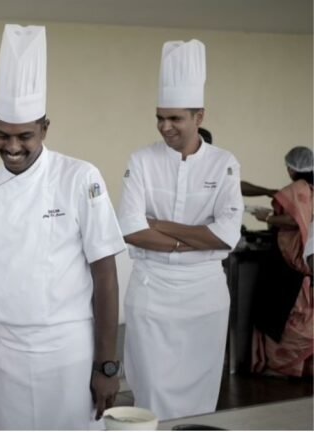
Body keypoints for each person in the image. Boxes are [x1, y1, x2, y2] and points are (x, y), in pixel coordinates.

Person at [0, 24, 126, 430]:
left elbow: (105, 276)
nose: (12, 147)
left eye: (25, 136)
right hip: (6, 351)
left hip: (68, 350)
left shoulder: (79, 177)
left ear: (45, 128)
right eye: (2, 135)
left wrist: (107, 365)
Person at [117, 39, 244, 421]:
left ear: (199, 116)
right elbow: (131, 229)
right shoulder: (142, 160)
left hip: (205, 297)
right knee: (150, 389)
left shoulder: (224, 163)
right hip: (151, 292)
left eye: (175, 118)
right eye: (160, 117)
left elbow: (226, 236)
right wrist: (192, 238)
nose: (165, 126)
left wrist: (160, 226)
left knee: (201, 396)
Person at [250, 146, 313, 377]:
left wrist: (266, 217)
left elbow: (295, 220)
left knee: (280, 312)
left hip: (288, 260)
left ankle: (281, 367)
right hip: (306, 263)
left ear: (291, 168)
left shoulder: (296, 189)